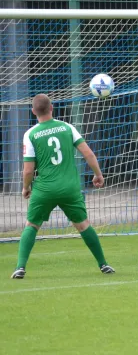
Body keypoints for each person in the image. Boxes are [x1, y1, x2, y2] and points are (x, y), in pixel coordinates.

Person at [11, 94, 114, 279]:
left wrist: (26, 187)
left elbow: (28, 171)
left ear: (33, 111)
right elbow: (88, 153)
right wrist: (98, 174)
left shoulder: (31, 134)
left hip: (44, 189)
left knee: (32, 225)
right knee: (83, 225)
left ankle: (20, 267)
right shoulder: (67, 127)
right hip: (69, 188)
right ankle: (104, 264)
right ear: (52, 108)